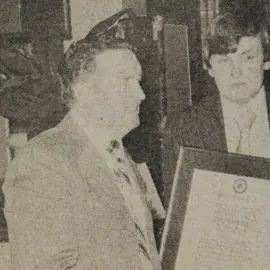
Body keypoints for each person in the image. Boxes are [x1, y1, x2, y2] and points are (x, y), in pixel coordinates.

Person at [162, 9, 270, 269]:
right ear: (209, 67)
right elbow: (177, 215)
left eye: (247, 57)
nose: (236, 72)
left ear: (266, 61)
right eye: (223, 60)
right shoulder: (183, 126)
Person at [2, 17, 163, 269]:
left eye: (138, 81)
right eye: (125, 81)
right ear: (84, 90)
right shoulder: (42, 162)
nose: (141, 94)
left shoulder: (119, 154)